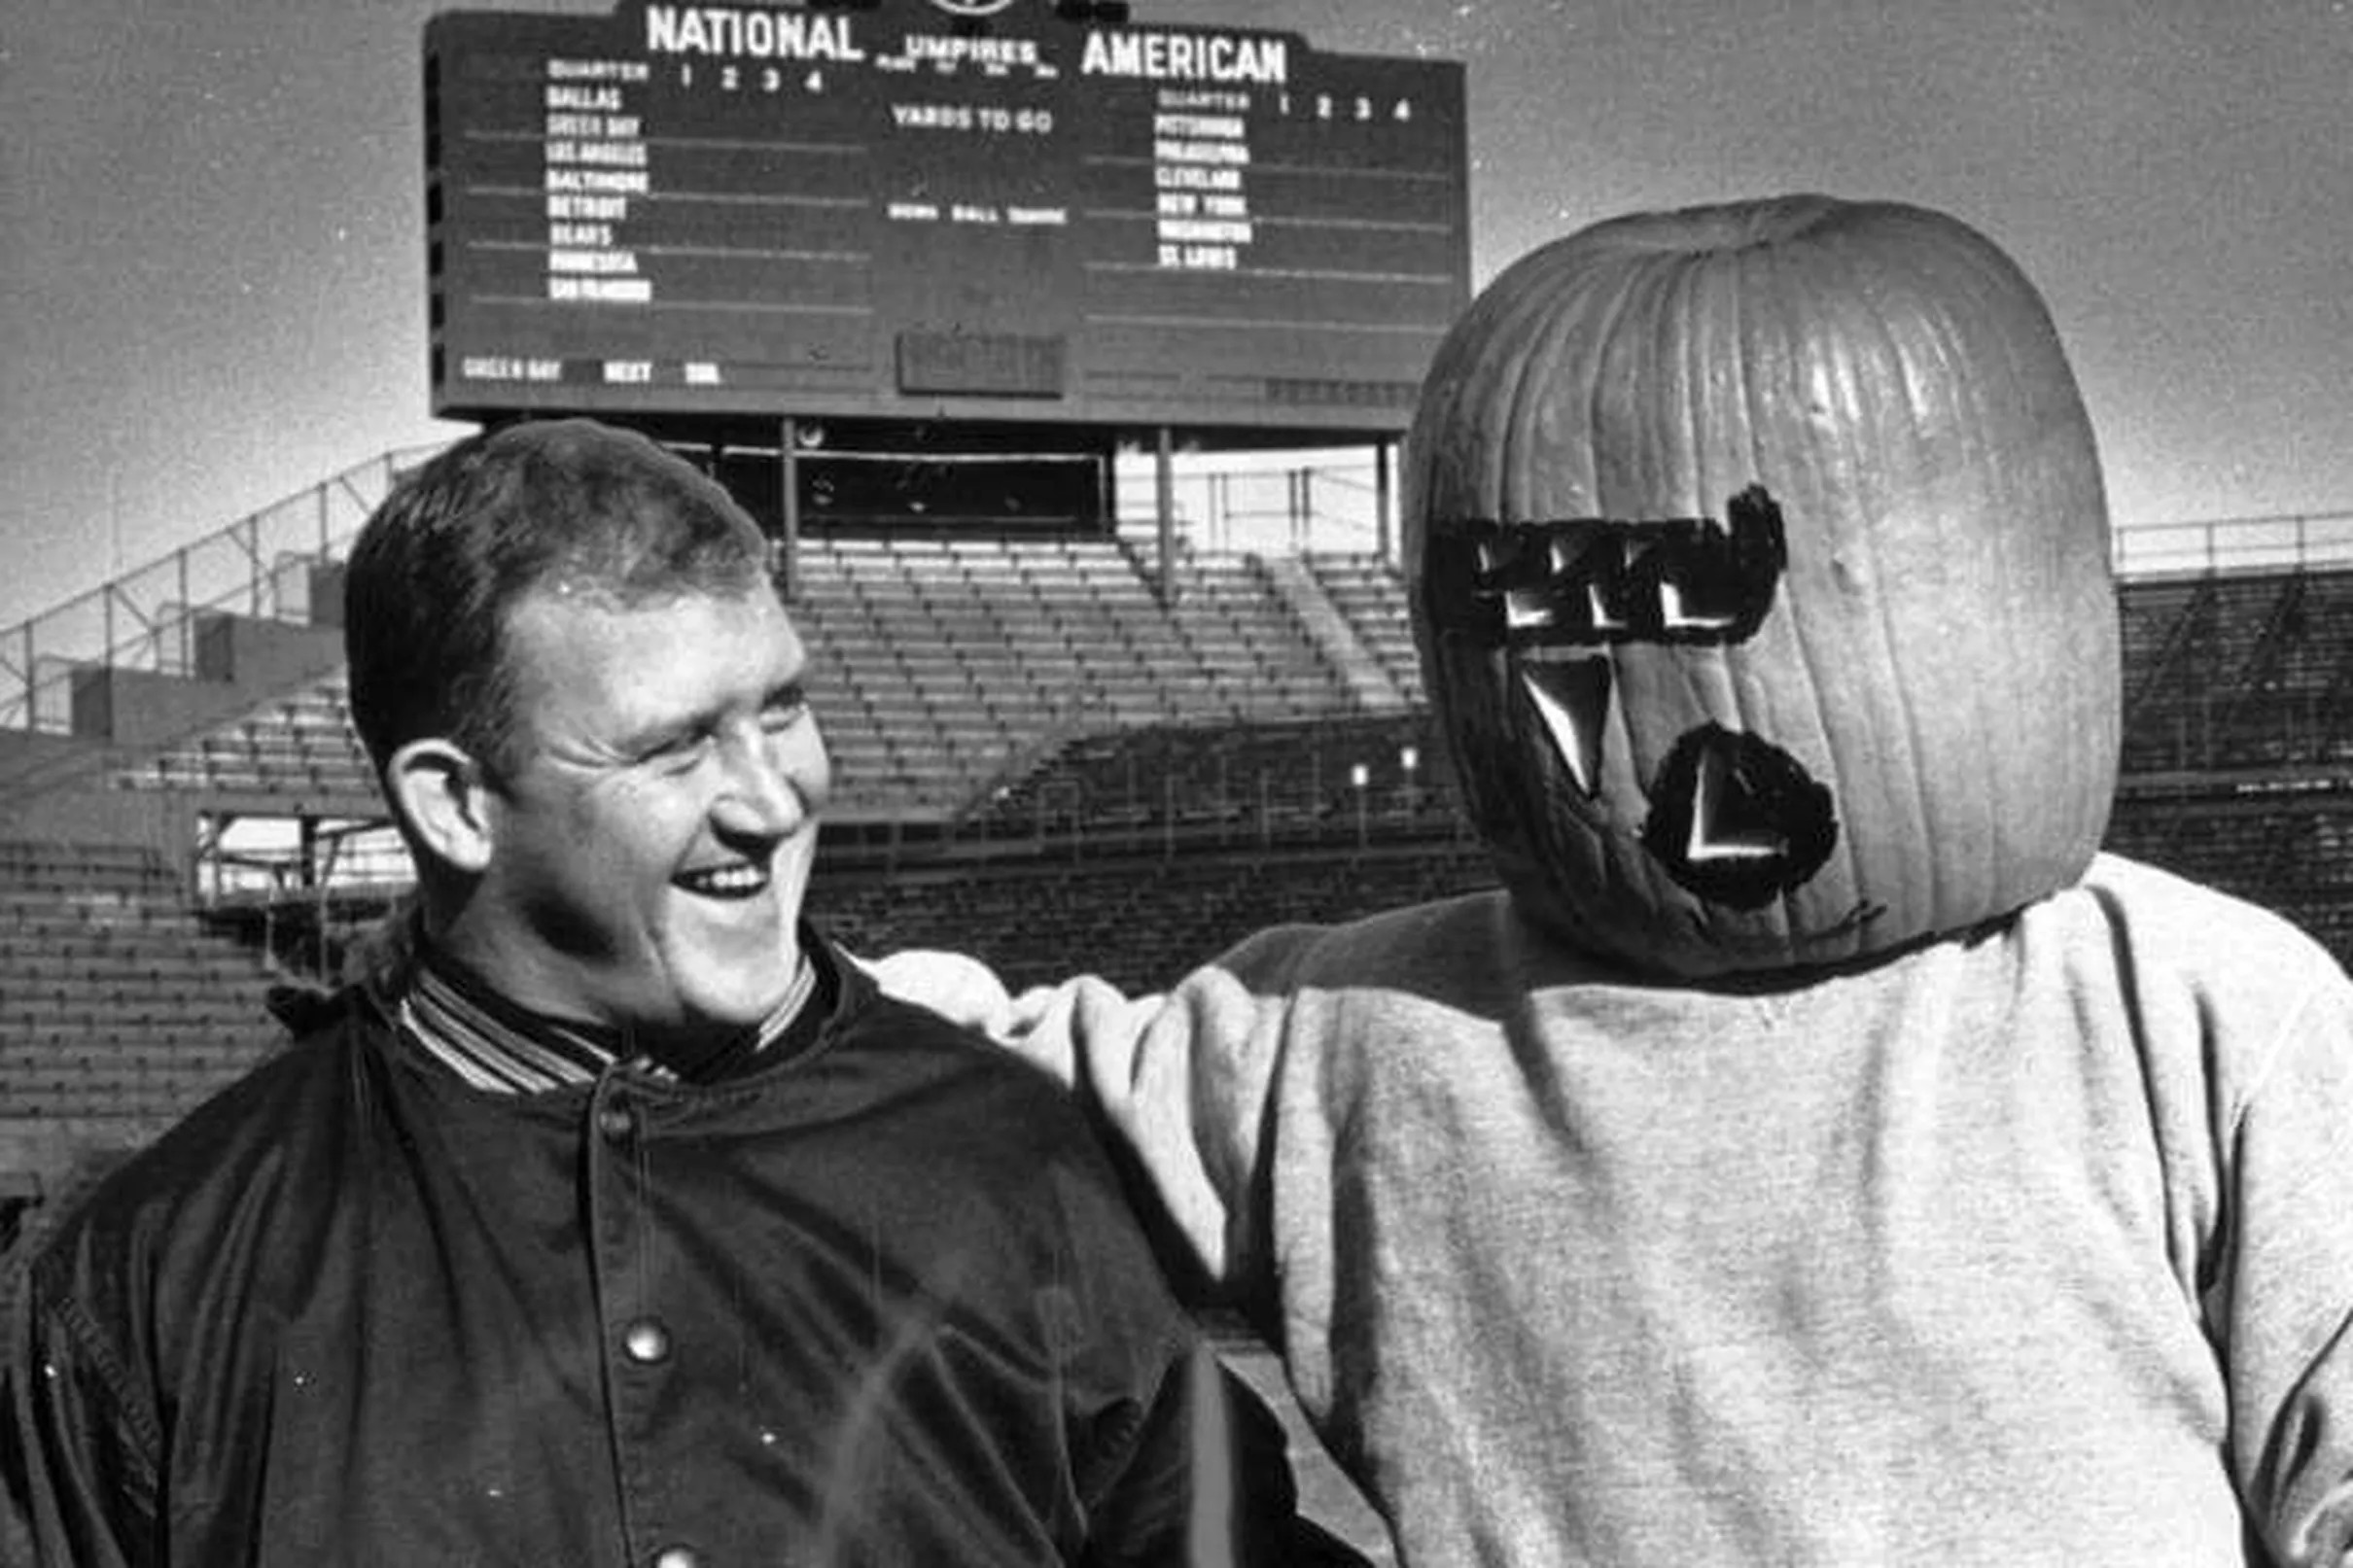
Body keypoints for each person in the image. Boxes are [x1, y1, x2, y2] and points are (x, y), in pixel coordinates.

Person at [873, 196, 2353, 1566]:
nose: (1637, 735)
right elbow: (947, 1074)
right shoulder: (1341, 1034)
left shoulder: (2195, 1004)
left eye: (1700, 611)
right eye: (1551, 636)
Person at [0, 418, 1332, 1566]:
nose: (772, 798)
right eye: (678, 743)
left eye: (782, 708)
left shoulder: (1006, 1153)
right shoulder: (152, 1276)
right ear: (454, 804)